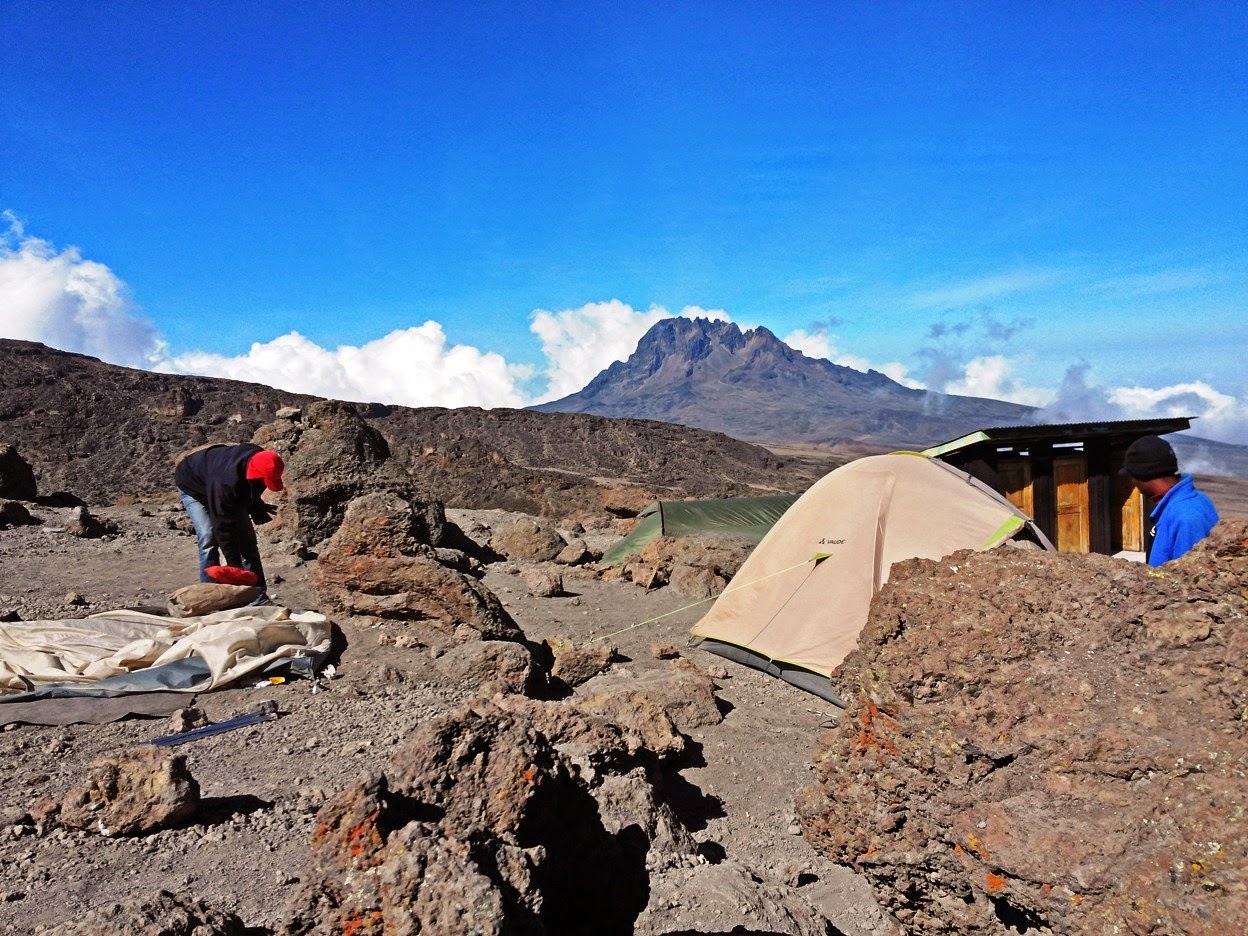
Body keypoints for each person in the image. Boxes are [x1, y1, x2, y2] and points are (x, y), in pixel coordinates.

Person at [174, 443, 284, 595]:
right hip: (191, 482)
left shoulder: (261, 458)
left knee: (247, 540)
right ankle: (209, 593)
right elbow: (222, 526)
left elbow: (252, 487)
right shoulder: (226, 482)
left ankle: (257, 595)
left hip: (214, 477)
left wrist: (255, 504)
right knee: (208, 535)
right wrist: (235, 568)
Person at [1121, 435, 1218, 566]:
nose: (1132, 482)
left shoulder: (1186, 518)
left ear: (1143, 475)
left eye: (1132, 477)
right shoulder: (1196, 499)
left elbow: (1187, 578)